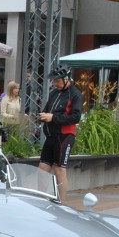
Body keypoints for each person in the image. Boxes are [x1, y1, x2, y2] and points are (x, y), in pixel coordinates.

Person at [38, 66, 83, 197]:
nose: (55, 84)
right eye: (54, 81)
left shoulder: (75, 94)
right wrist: (42, 115)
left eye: (57, 81)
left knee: (59, 169)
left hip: (64, 135)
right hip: (51, 135)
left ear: (66, 79)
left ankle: (62, 201)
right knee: (43, 169)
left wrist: (53, 118)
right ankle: (41, 198)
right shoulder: (55, 92)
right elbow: (47, 109)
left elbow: (76, 117)